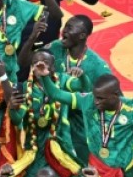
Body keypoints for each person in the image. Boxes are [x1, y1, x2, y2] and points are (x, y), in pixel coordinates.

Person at [42, 15, 112, 165]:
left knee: (79, 167)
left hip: (81, 125)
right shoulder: (54, 48)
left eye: (69, 28)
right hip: (52, 119)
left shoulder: (97, 65)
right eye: (65, 26)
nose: (63, 31)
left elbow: (114, 98)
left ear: (82, 36)